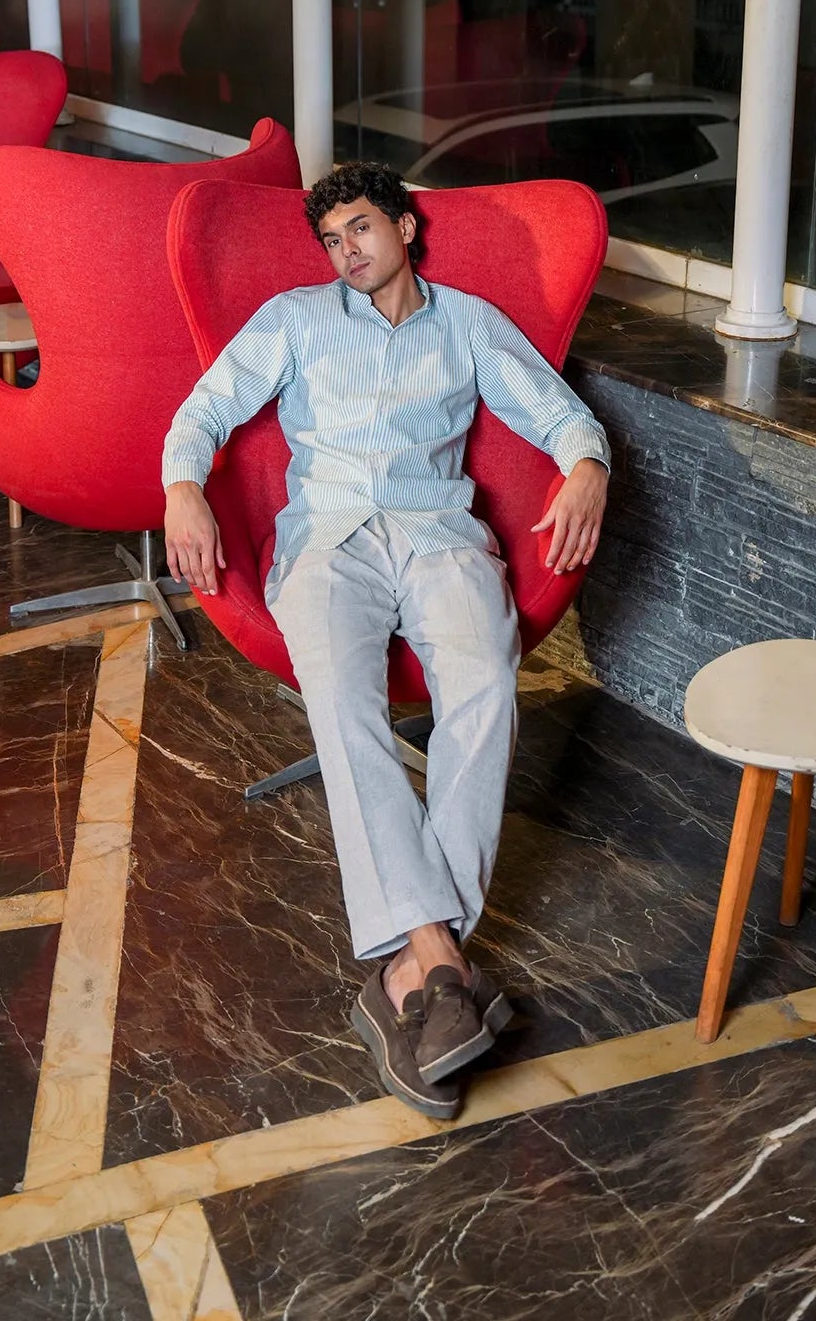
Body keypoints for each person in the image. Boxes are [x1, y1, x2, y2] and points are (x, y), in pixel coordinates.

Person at [162, 163, 609, 1118]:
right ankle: (440, 959)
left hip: (440, 536)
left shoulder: (469, 323)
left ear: (405, 227)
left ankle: (413, 973)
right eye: (332, 240)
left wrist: (587, 468)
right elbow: (204, 409)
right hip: (327, 545)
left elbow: (558, 412)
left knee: (487, 685)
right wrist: (184, 487)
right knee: (341, 701)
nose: (347, 252)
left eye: (361, 228)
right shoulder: (294, 319)